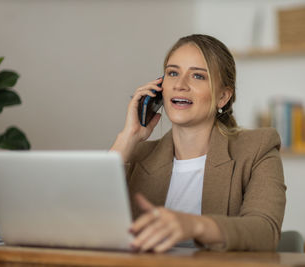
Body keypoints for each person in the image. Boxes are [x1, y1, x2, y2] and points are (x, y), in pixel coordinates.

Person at [110, 34, 286, 252]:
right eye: (173, 73)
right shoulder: (136, 156)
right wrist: (127, 138)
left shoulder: (257, 148)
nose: (180, 85)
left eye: (198, 76)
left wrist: (193, 225)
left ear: (223, 97)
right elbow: (80, 221)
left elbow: (265, 232)